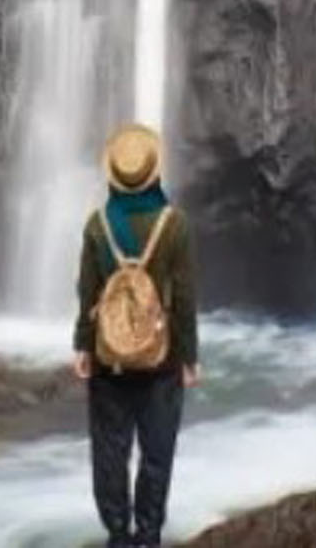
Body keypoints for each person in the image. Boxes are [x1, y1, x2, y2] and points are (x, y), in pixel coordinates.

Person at [72, 123, 200, 548]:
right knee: (156, 452)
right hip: (160, 358)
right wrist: (188, 356)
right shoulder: (174, 224)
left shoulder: (97, 224)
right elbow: (183, 297)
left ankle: (117, 535)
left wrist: (82, 346)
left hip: (109, 355)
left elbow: (87, 291)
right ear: (153, 173)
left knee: (110, 452)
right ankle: (148, 535)